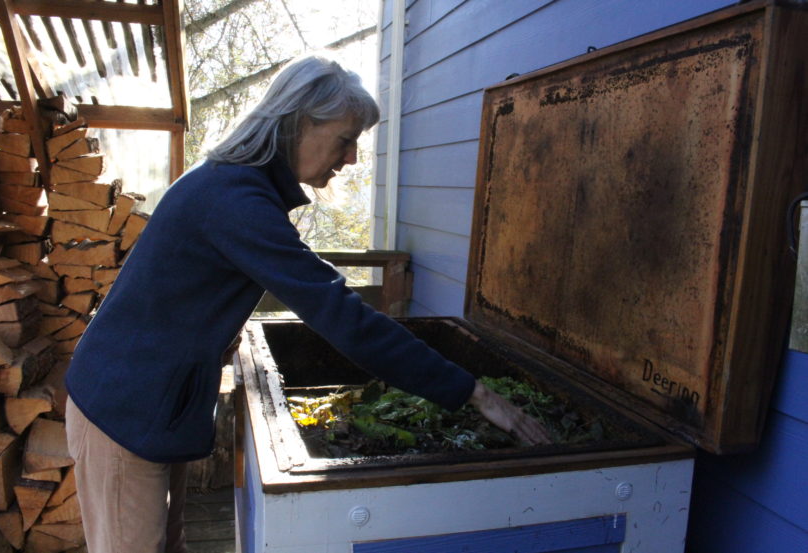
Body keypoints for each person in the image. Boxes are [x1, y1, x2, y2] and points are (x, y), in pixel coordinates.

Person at [64, 53, 550, 553]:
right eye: (346, 139)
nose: (353, 158)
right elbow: (340, 314)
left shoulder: (235, 185)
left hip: (156, 400)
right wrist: (475, 394)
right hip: (123, 409)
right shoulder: (235, 199)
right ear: (299, 122)